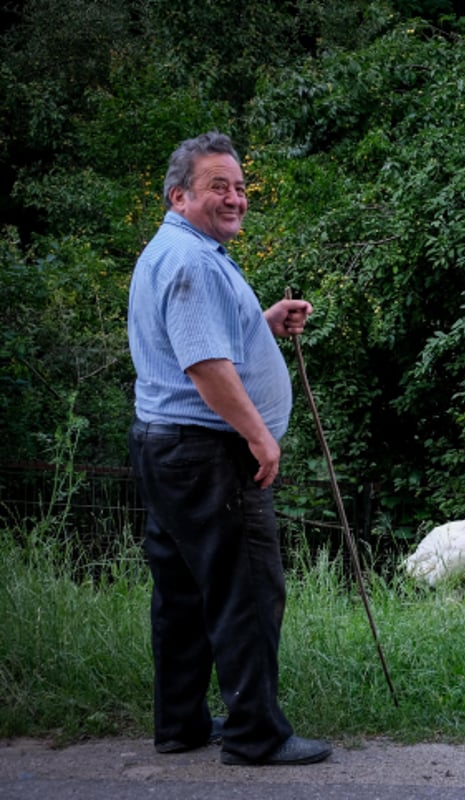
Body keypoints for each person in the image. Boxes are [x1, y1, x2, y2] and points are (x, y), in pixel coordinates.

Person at [127, 131, 332, 766]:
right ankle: (255, 736)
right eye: (219, 186)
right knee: (247, 590)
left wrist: (260, 323)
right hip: (207, 454)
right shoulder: (191, 260)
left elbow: (207, 339)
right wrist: (258, 434)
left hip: (169, 449)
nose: (236, 198)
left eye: (240, 187)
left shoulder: (181, 250)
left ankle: (181, 724)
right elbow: (206, 365)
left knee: (185, 592)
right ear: (179, 195)